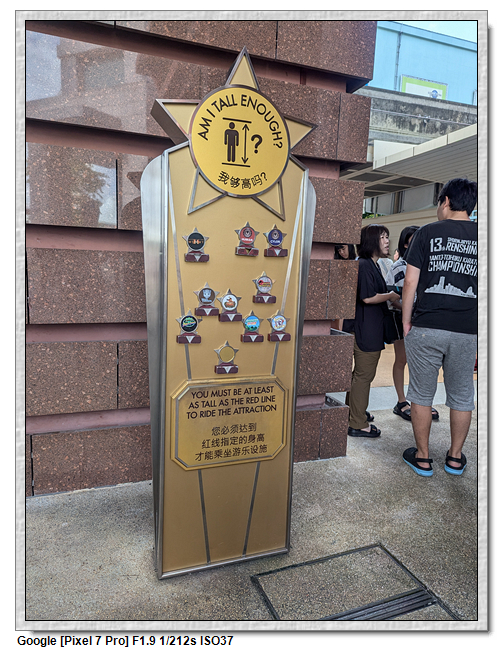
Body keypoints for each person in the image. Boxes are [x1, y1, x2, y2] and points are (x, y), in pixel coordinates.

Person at [401, 178, 477, 477]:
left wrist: (406, 320)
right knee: (462, 394)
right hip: (467, 329)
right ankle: (455, 458)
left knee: (421, 393)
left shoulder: (426, 233)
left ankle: (422, 457)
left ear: (445, 201)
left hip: (426, 326)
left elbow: (410, 281)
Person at [345, 224, 400, 437]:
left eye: (387, 237)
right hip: (365, 329)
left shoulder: (371, 264)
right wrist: (391, 296)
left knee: (359, 376)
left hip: (367, 327)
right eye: (382, 237)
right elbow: (368, 298)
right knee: (363, 376)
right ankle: (357, 423)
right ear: (371, 241)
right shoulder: (365, 265)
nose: (387, 241)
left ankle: (354, 414)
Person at [384, 226, 440, 423]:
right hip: (402, 319)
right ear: (406, 243)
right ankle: (402, 401)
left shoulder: (428, 263)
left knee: (423, 363)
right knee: (402, 359)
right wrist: (411, 311)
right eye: (414, 239)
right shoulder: (399, 266)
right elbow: (393, 298)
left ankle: (420, 403)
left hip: (423, 320)